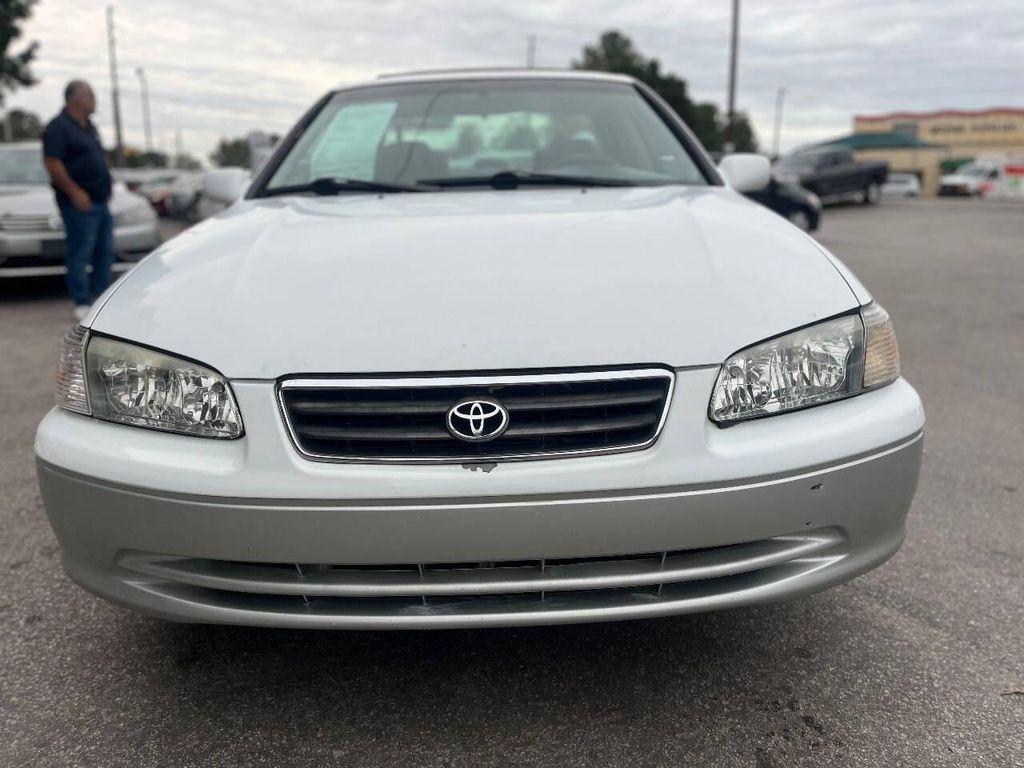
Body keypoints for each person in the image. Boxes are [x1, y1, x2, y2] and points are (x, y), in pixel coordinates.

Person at [42, 80, 115, 321]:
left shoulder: (89, 127)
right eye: (90, 96)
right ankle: (82, 301)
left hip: (100, 200)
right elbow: (52, 162)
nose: (95, 101)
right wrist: (74, 192)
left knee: (104, 252)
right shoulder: (58, 127)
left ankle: (102, 299)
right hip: (79, 203)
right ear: (76, 99)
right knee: (80, 253)